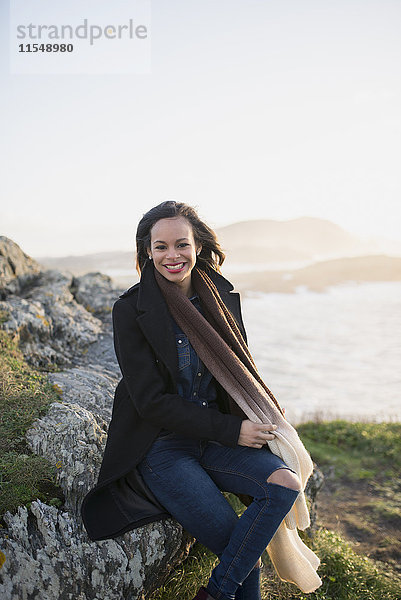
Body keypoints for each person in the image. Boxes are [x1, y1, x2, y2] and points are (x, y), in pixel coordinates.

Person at [81, 201, 307, 600]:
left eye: (181, 245)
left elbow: (240, 368)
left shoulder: (218, 297)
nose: (172, 256)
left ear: (197, 246)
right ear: (146, 252)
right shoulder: (131, 310)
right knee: (241, 549)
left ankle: (216, 593)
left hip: (214, 442)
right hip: (163, 447)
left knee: (284, 483)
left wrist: (261, 407)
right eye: (161, 246)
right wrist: (235, 429)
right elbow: (151, 403)